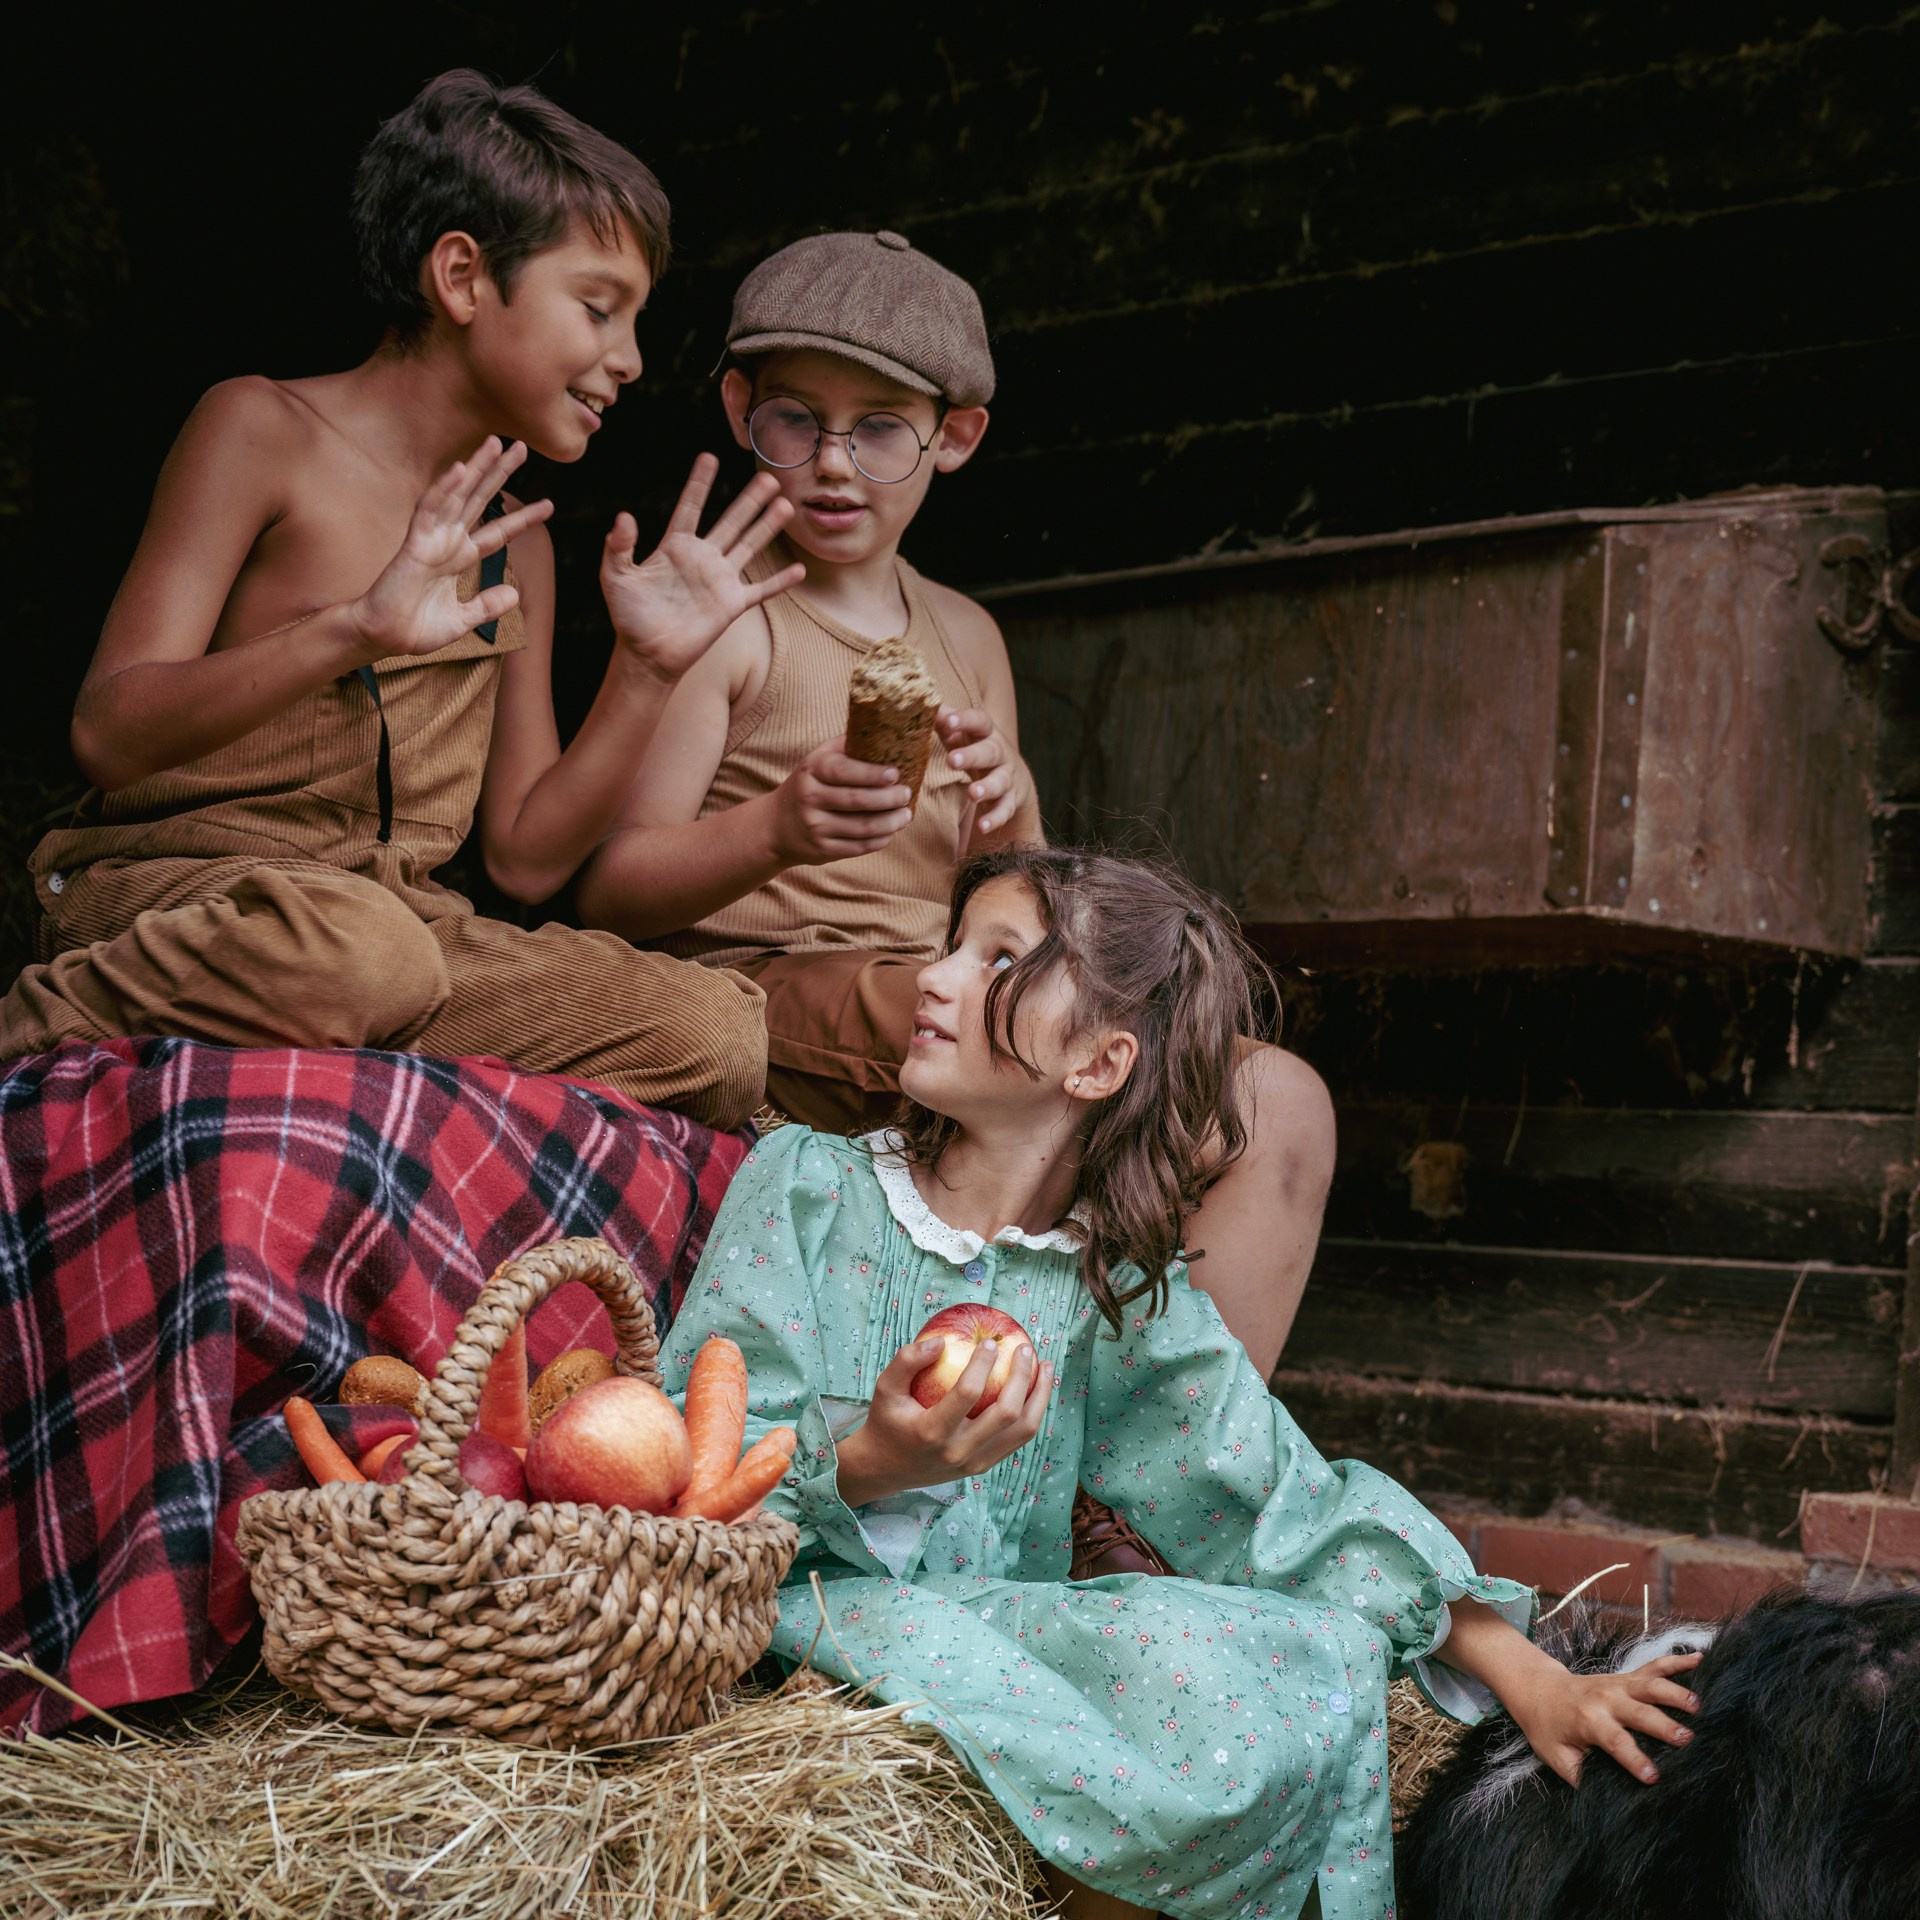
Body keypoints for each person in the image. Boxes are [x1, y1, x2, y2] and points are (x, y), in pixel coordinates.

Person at [663, 847, 1704, 1919]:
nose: (935, 977)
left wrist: (1537, 1680)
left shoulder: (1110, 1292)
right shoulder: (809, 1188)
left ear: (1098, 1064)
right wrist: (877, 1461)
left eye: (998, 960)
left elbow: (1277, 1503)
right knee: (996, 1659)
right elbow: (690, 1467)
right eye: (952, 948)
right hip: (795, 1625)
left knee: (1316, 1659)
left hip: (991, 1644)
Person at [575, 234, 1339, 1566]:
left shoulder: (967, 637)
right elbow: (611, 890)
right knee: (1068, 1061)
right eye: (796, 421)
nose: (833, 464)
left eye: (881, 432)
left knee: (1276, 1099)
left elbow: (1020, 914)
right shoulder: (733, 623)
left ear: (957, 437)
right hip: (777, 984)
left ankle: (1143, 1501)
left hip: (945, 981)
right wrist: (775, 830)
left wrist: (1015, 823)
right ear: (739, 411)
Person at [0, 70, 800, 1129]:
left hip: (408, 933)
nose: (631, 360)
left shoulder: (517, 544)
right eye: (599, 309)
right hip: (188, 899)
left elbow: (523, 855)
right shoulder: (262, 430)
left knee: (717, 1035)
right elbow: (106, 733)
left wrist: (645, 672)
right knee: (356, 953)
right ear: (462, 277)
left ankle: (366, 1043)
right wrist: (355, 628)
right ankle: (33, 1025)